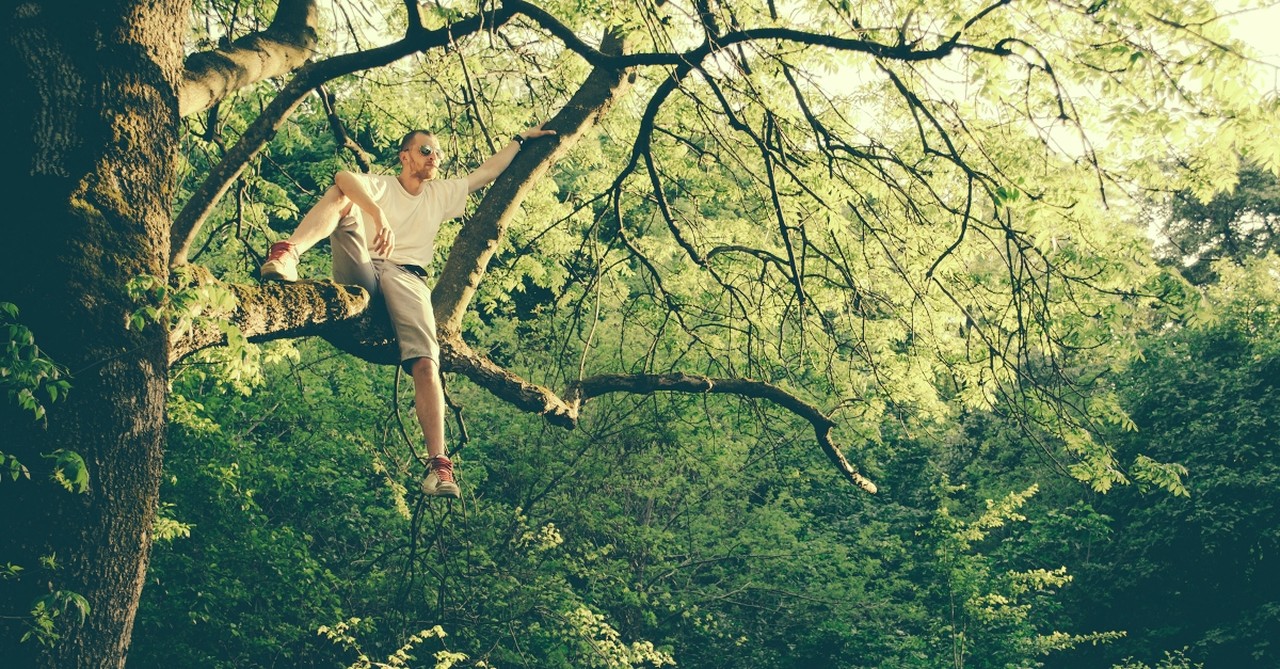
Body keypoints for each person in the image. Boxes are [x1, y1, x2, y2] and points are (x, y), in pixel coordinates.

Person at [259, 123, 556, 497]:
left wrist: (520, 139)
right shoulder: (383, 185)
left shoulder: (439, 194)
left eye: (438, 154)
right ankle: (287, 254)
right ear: (406, 156)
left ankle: (439, 467)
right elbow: (343, 176)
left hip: (408, 278)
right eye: (426, 151)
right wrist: (377, 215)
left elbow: (488, 173)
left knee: (427, 360)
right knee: (343, 195)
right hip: (365, 270)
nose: (435, 159)